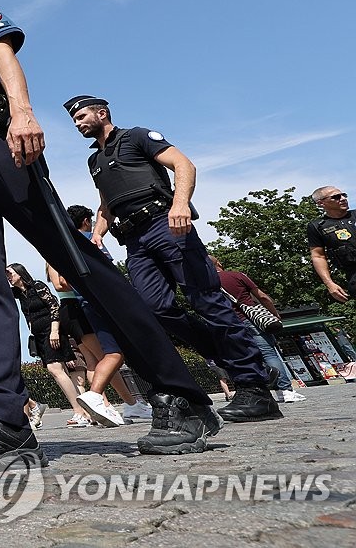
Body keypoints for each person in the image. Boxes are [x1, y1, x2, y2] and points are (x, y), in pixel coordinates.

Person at [0, 0, 220, 469]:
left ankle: (179, 393)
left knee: (74, 260)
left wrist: (22, 113)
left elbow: (3, 58)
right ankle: (4, 419)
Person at [64, 95, 280, 424]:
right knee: (153, 309)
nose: (78, 123)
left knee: (207, 301)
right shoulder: (95, 161)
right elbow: (106, 203)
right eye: (74, 120)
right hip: (135, 240)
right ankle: (230, 356)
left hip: (166, 225)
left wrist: (180, 204)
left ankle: (254, 387)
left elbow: (184, 165)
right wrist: (97, 235)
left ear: (102, 112)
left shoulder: (136, 137)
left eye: (81, 116)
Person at [48, 205, 152, 426]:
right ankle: (108, 401)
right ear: (86, 221)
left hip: (79, 306)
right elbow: (105, 270)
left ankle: (112, 404)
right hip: (94, 303)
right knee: (113, 354)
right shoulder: (89, 241)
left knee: (97, 360)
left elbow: (61, 282)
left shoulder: (62, 246)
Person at [6, 264, 92, 428]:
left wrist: (54, 331)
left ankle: (79, 412)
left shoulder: (37, 286)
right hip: (38, 336)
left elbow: (54, 306)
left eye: (10, 273)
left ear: (20, 272)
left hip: (51, 331)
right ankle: (83, 412)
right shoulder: (18, 293)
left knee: (55, 370)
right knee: (60, 372)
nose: (8, 276)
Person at [210, 256, 304, 403]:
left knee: (248, 358)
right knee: (269, 354)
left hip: (231, 325)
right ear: (219, 263)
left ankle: (261, 391)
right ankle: (285, 391)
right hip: (251, 320)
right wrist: (274, 314)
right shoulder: (236, 275)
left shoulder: (208, 284)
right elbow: (262, 296)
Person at [307, 187, 356, 303]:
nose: (343, 199)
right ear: (321, 203)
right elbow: (318, 256)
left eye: (344, 195)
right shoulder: (317, 226)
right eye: (336, 197)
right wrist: (329, 284)